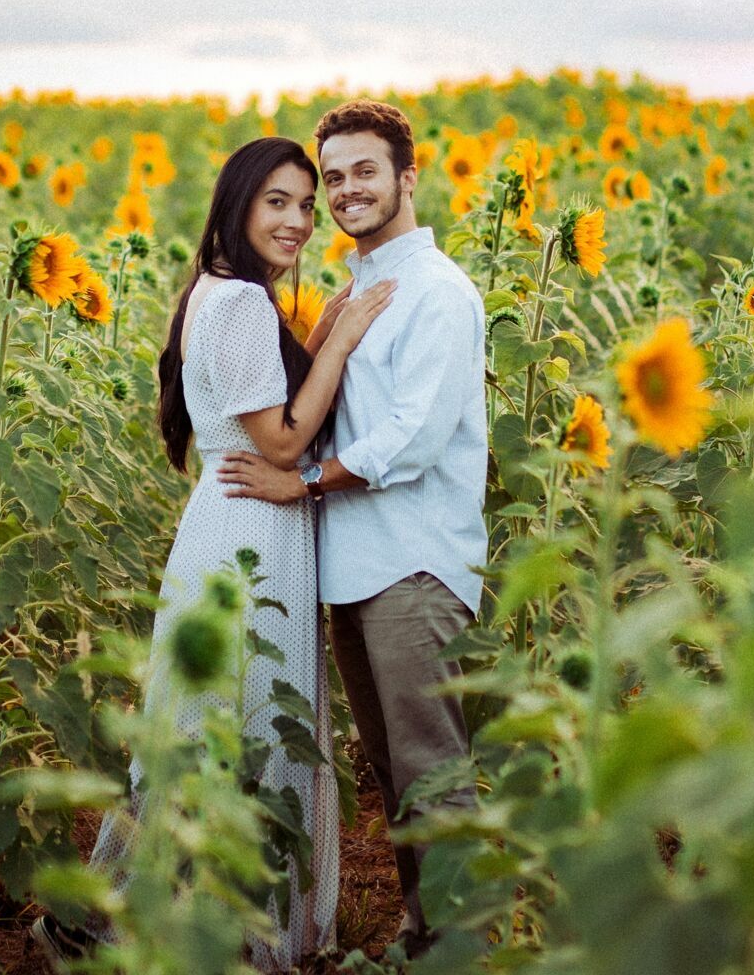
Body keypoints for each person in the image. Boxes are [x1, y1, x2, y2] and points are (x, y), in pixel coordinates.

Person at [34, 136, 395, 972]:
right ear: (236, 204)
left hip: (239, 525)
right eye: (279, 201)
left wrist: (330, 319)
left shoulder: (227, 296)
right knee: (254, 730)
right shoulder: (236, 304)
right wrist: (338, 345)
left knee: (208, 731)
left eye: (307, 205)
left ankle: (112, 926)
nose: (299, 221)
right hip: (251, 534)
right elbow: (278, 441)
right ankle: (233, 940)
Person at [219, 99, 487, 960]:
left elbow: (414, 435)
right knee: (393, 771)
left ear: (409, 177)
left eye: (363, 171)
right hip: (355, 567)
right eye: (331, 177)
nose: (343, 191)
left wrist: (301, 479)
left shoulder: (438, 293)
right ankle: (424, 934)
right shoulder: (358, 288)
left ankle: (465, 950)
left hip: (415, 565)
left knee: (432, 773)